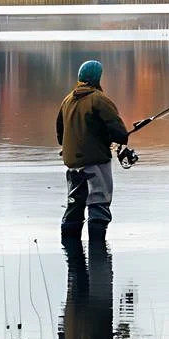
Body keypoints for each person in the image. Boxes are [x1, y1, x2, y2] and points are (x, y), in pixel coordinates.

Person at [57, 60, 130, 242]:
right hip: (95, 161)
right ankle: (98, 254)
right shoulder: (99, 99)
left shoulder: (67, 100)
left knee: (74, 205)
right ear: (97, 77)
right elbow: (120, 134)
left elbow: (60, 134)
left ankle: (70, 252)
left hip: (72, 164)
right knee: (98, 204)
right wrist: (114, 139)